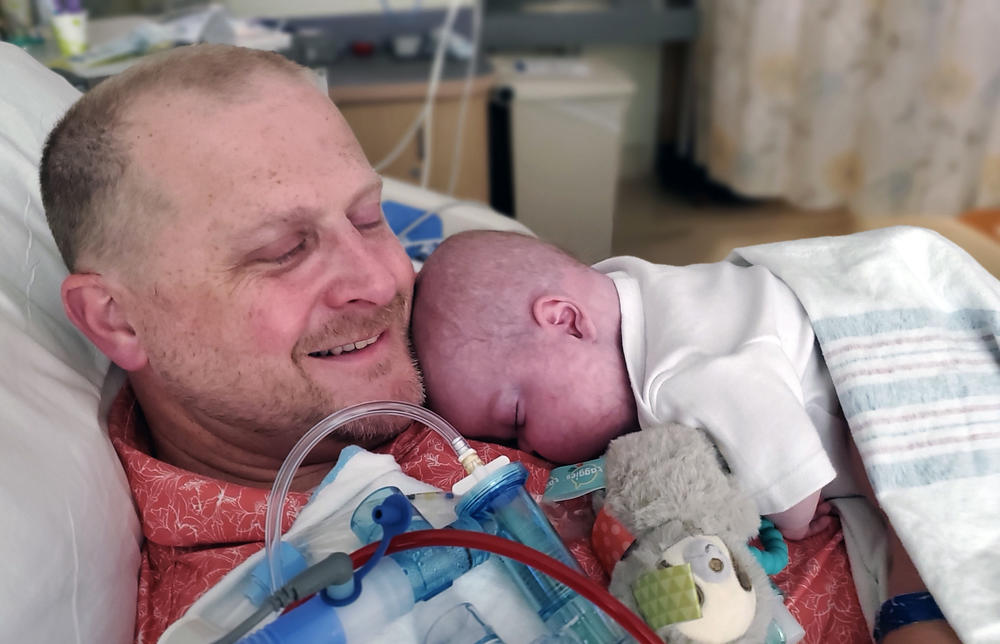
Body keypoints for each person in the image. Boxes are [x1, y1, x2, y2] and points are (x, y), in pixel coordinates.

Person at [38, 43, 427, 640]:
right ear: (118, 320)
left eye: (368, 216)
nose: (379, 281)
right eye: (283, 251)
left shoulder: (473, 325)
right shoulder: (236, 613)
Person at [411, 229, 961, 643]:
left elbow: (776, 446)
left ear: (566, 321)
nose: (528, 451)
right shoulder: (644, 286)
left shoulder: (676, 371)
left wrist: (794, 513)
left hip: (907, 366)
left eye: (516, 420)